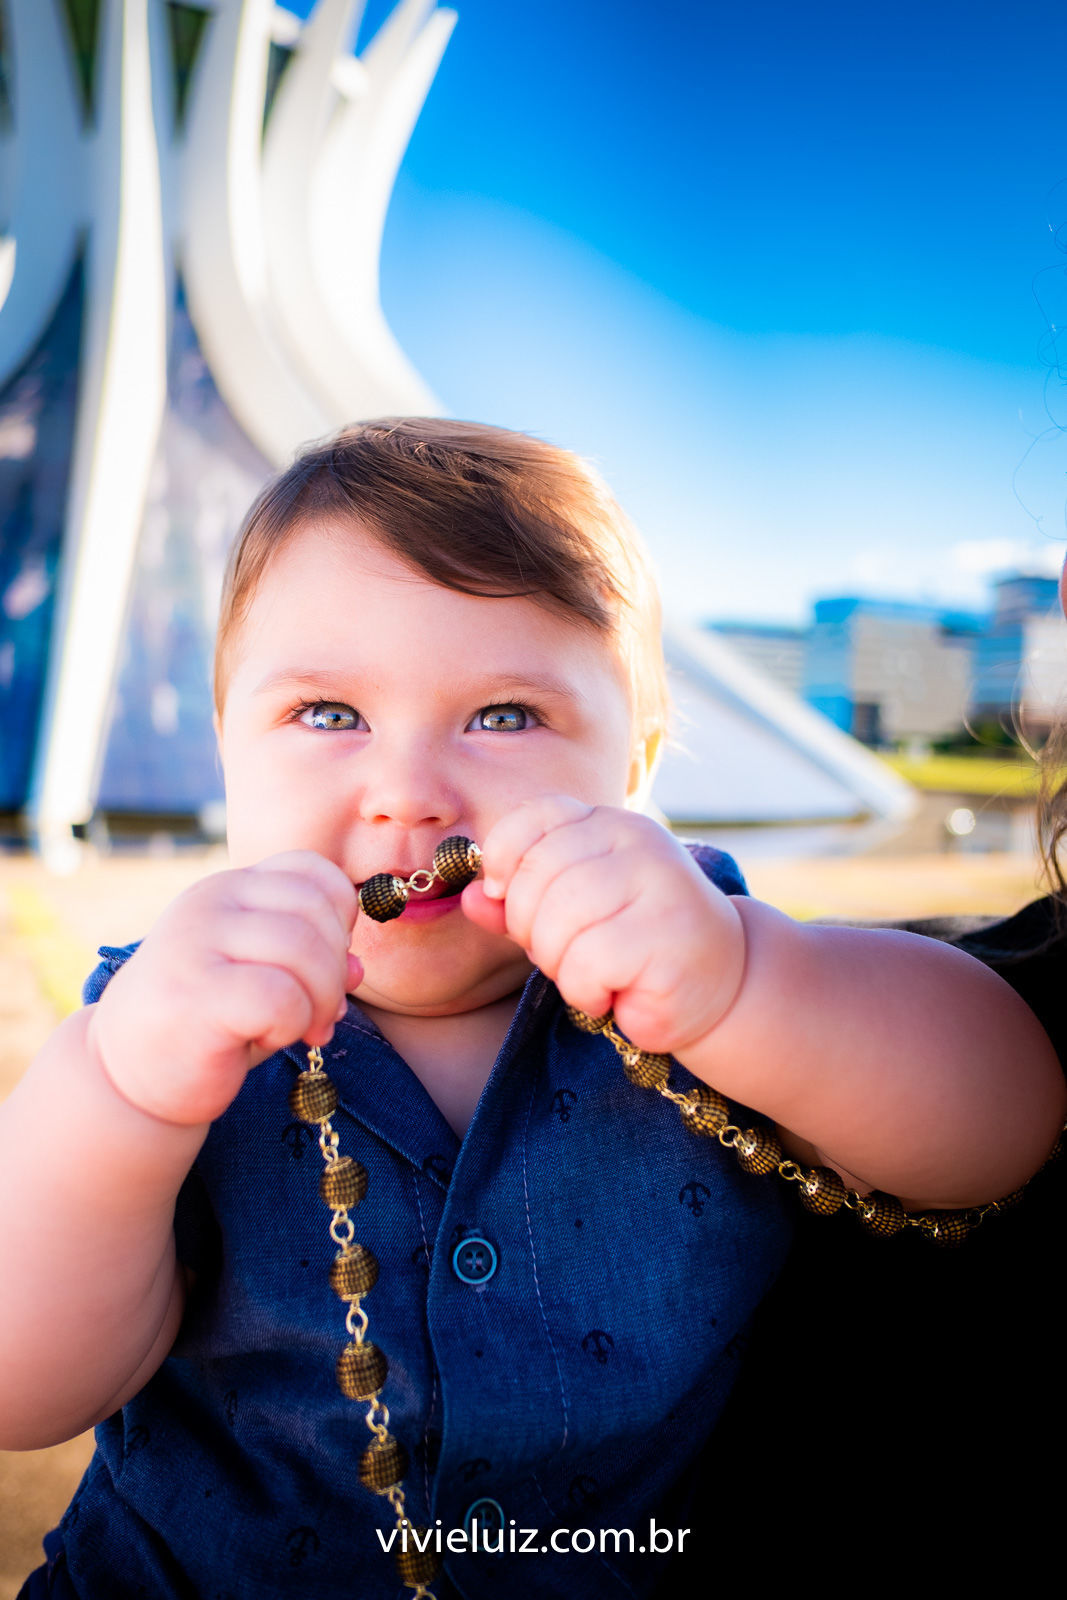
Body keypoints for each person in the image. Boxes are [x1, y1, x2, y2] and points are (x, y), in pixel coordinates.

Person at [1, 419, 1062, 1600]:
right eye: (326, 713)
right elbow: (24, 1387)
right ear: (225, 754)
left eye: (502, 715)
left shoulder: (695, 967)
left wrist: (752, 984)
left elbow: (997, 1122)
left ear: (634, 772)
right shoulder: (159, 1022)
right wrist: (122, 1098)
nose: (405, 793)